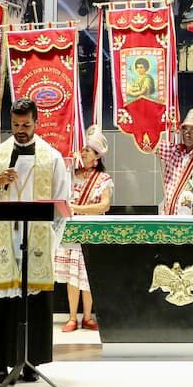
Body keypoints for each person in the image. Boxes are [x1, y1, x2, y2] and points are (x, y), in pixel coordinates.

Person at [0, 98, 71, 383]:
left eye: (26, 125)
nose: (20, 130)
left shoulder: (51, 156)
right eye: (16, 125)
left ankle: (30, 362)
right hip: (4, 240)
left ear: (36, 122)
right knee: (3, 301)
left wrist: (53, 239)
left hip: (37, 241)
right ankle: (0, 363)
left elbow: (62, 200)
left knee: (32, 301)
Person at [55, 125, 112, 332]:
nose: (84, 152)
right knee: (72, 275)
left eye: (88, 150)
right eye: (83, 149)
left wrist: (77, 208)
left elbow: (104, 205)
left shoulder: (103, 179)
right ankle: (72, 317)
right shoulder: (71, 174)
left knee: (88, 275)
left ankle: (88, 316)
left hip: (92, 230)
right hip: (72, 229)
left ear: (96, 156)